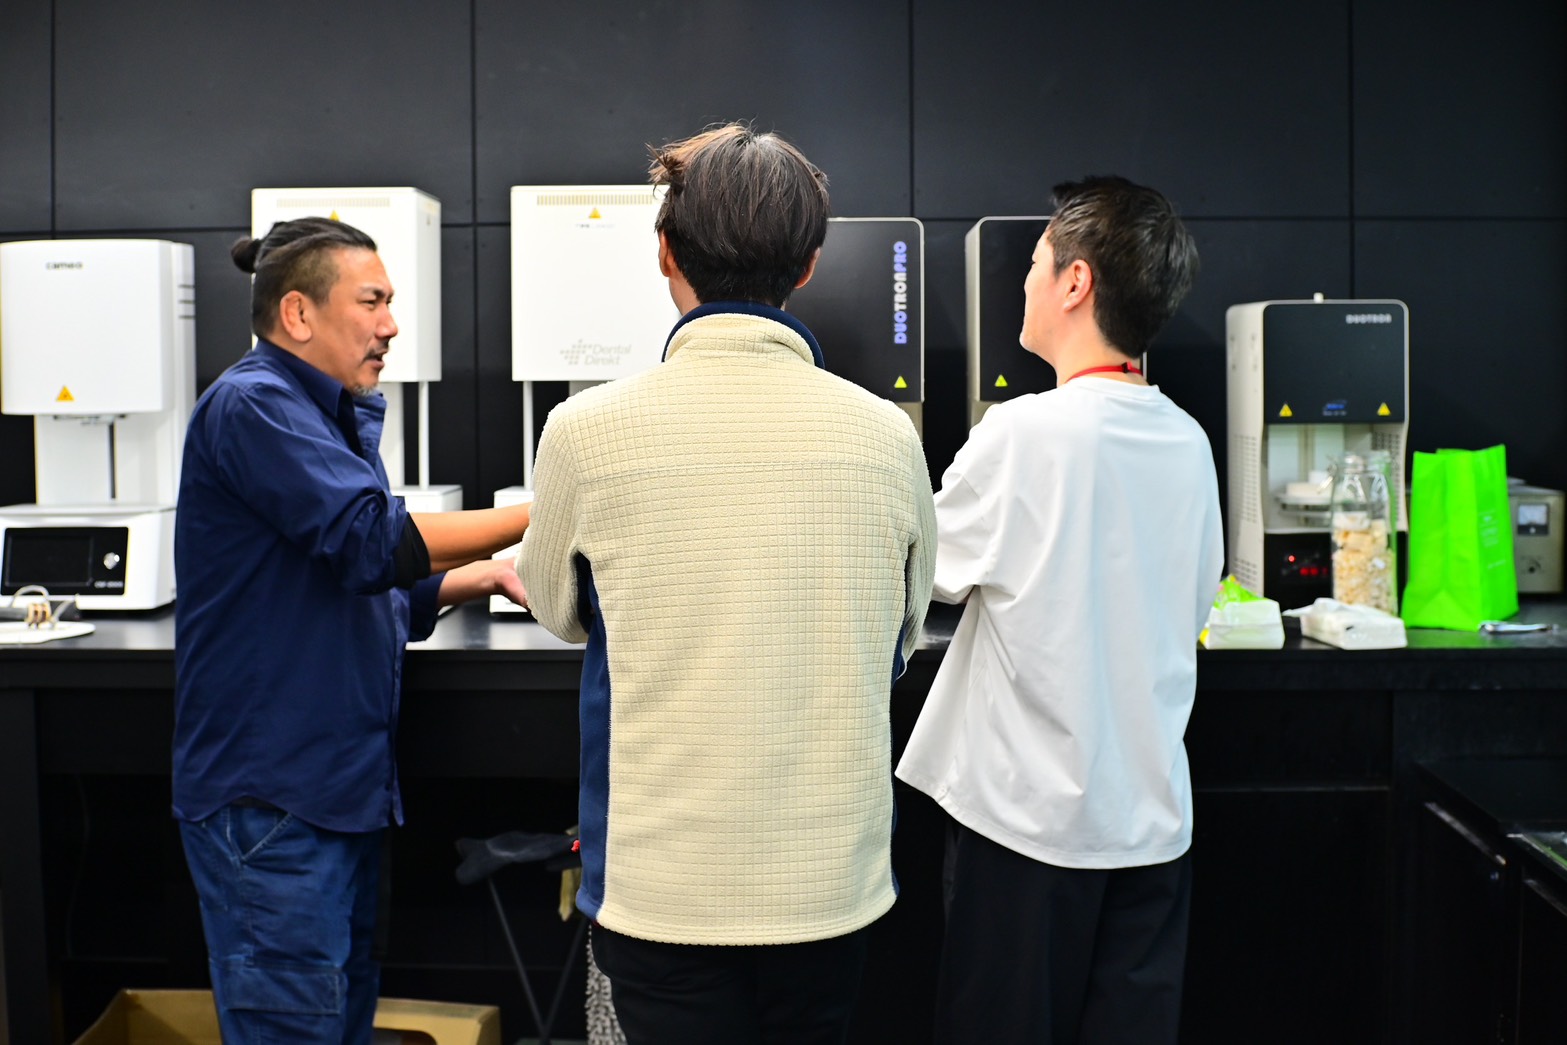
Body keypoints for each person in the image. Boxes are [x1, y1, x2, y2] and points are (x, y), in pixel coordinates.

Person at [517, 123, 937, 1045]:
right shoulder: (887, 434)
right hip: (831, 884)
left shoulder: (583, 431)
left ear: (664, 251)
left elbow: (555, 609)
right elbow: (903, 633)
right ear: (809, 264)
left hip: (662, 887)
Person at [173, 216, 533, 1044]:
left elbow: (357, 586)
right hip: (274, 804)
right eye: (372, 302)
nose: (391, 325)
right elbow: (373, 540)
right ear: (298, 313)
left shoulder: (325, 413)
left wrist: (478, 577)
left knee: (337, 1024)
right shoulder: (254, 405)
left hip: (333, 798)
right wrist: (541, 511)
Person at [895, 176, 1224, 1044]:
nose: (1026, 279)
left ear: (1075, 281)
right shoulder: (1189, 441)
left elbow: (920, 565)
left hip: (1026, 834)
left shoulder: (1023, 431)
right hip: (1150, 828)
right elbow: (1197, 597)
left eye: (1037, 260)